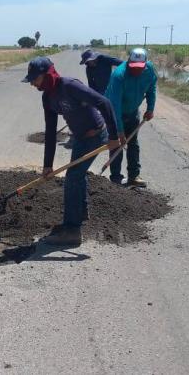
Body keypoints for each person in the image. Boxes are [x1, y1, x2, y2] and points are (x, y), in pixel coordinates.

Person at [23, 57, 125, 246]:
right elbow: (51, 133)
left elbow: (104, 103)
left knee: (73, 178)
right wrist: (47, 165)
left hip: (96, 135)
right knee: (77, 175)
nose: (32, 84)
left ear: (47, 74)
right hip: (80, 138)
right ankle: (80, 212)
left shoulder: (70, 86)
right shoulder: (47, 98)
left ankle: (72, 230)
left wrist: (113, 137)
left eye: (34, 79)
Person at [104, 48, 157, 187]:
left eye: (140, 68)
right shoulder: (119, 75)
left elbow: (152, 89)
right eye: (134, 67)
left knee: (133, 144)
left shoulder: (149, 70)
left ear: (145, 64)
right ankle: (115, 179)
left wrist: (150, 108)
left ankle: (133, 176)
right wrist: (120, 131)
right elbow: (115, 106)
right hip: (115, 113)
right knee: (117, 145)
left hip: (132, 112)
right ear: (129, 62)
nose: (136, 71)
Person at [61, 49, 123, 150]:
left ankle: (116, 135)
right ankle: (105, 134)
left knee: (112, 112)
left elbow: (122, 64)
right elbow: (91, 84)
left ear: (95, 57)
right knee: (101, 113)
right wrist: (91, 98)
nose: (89, 63)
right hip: (99, 92)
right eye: (87, 62)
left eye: (90, 61)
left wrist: (118, 77)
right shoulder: (88, 69)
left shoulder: (105, 59)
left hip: (111, 90)